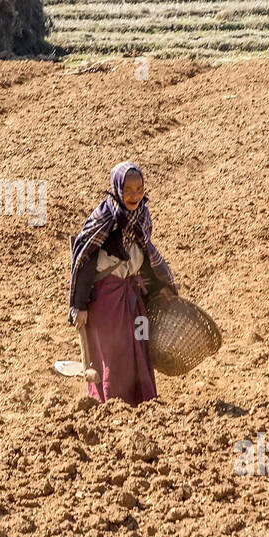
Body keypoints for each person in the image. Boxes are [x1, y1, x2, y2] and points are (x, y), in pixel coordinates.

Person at [67, 162, 177, 405]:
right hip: (107, 299)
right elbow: (84, 260)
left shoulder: (142, 216)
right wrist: (80, 305)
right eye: (127, 189)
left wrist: (161, 288)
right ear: (116, 188)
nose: (134, 195)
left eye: (139, 189)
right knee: (115, 353)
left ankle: (143, 401)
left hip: (133, 294)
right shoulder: (105, 218)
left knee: (140, 345)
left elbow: (145, 256)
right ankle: (114, 404)